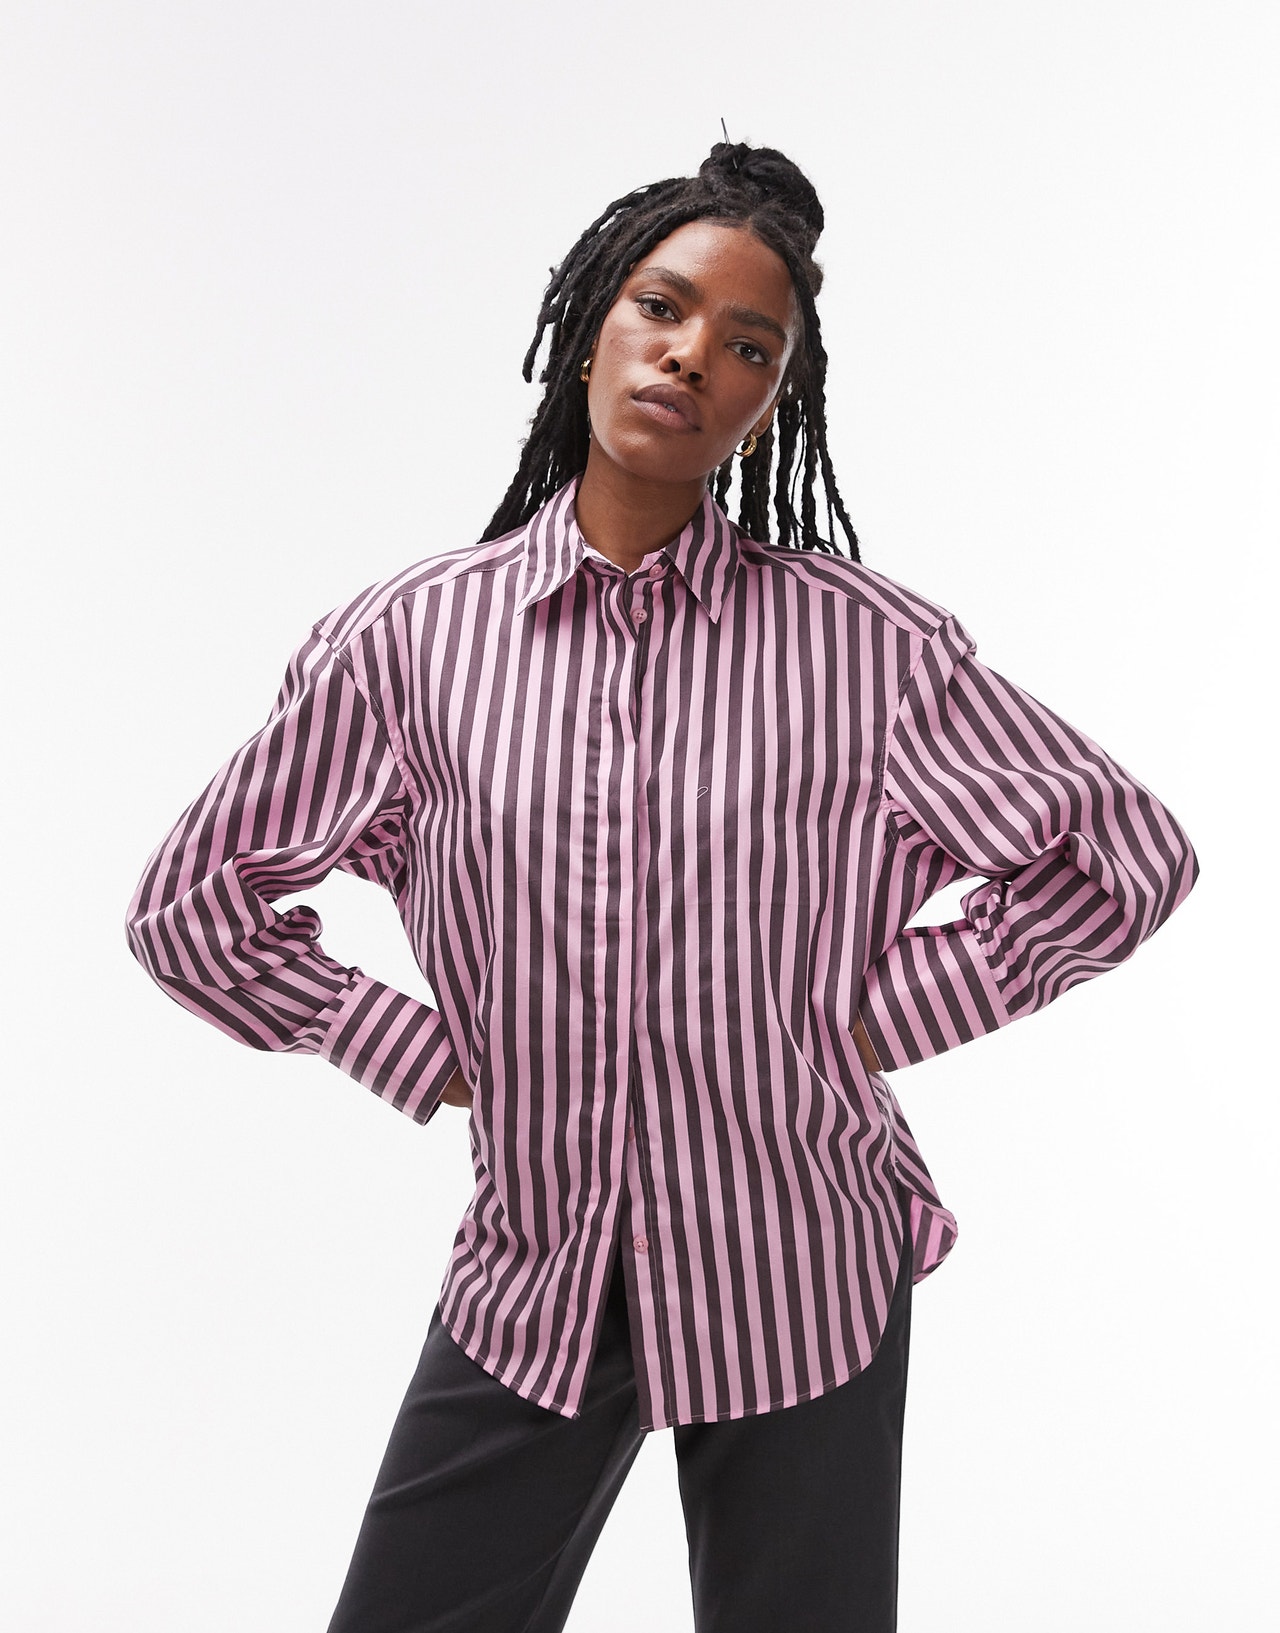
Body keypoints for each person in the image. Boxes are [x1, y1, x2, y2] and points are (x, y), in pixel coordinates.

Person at [125, 141, 1199, 1632]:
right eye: (663, 307)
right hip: (539, 1274)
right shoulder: (410, 644)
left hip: (802, 1265)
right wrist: (419, 1051)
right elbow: (190, 905)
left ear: (772, 402)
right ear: (592, 330)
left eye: (749, 346)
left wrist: (878, 1018)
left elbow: (1124, 852)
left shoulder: (868, 652)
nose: (695, 356)